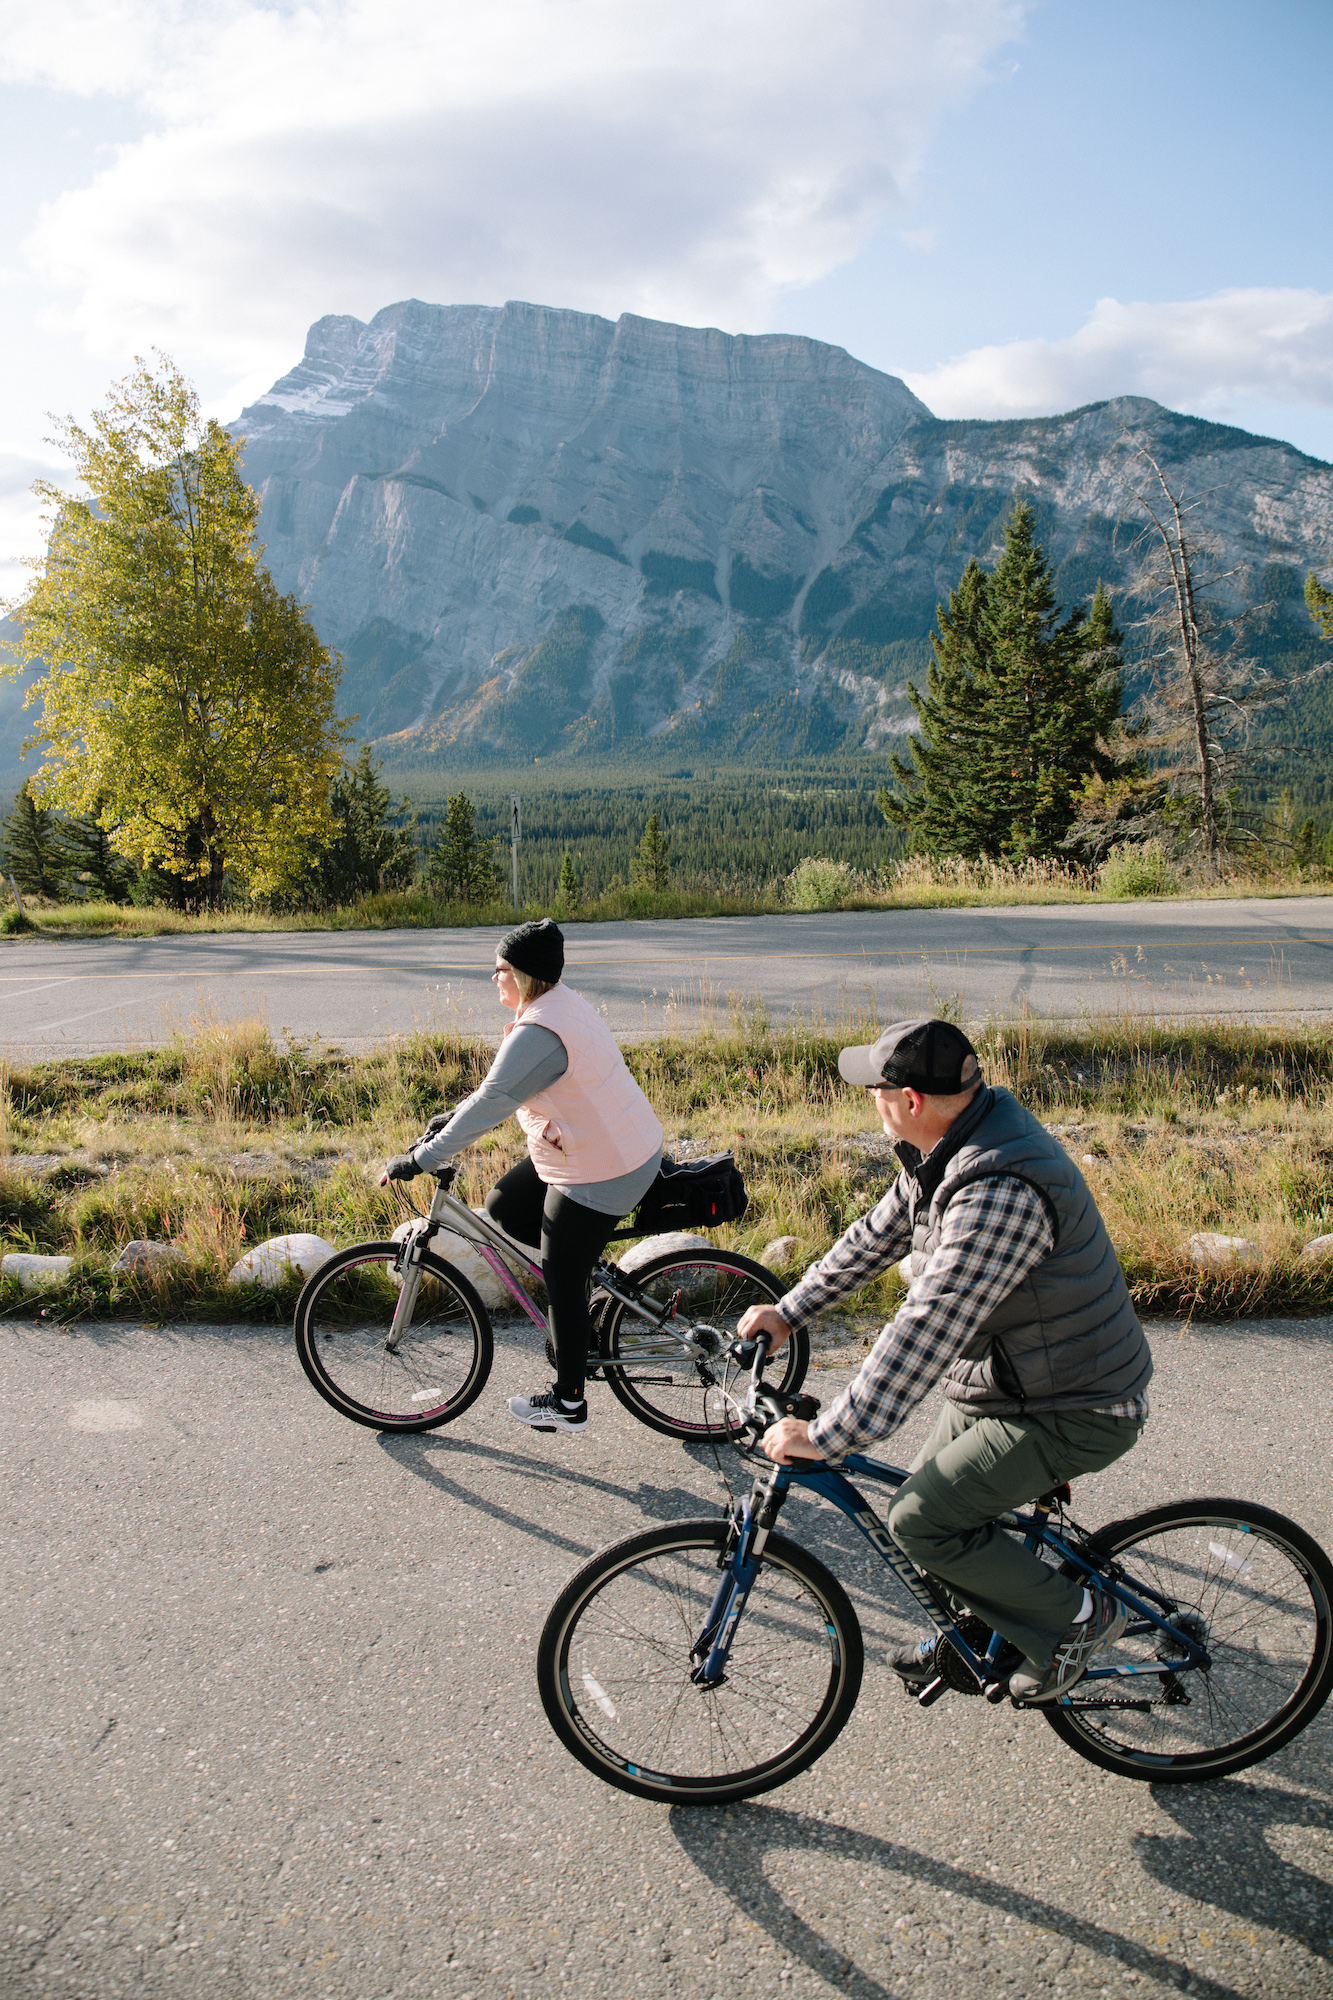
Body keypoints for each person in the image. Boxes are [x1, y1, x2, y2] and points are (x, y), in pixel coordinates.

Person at [737, 1017, 1152, 1703]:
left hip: (1073, 1405)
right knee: (928, 1523)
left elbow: (927, 1325)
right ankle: (993, 1626)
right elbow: (876, 1236)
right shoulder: (951, 1147)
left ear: (910, 1101)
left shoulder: (998, 1191)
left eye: (874, 1087)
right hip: (1010, 1381)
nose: (867, 1098)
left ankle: (1080, 1621)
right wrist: (789, 1311)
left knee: (918, 1521)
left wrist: (828, 1434)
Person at [379, 918, 663, 1433]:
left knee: (560, 1278)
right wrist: (448, 1123)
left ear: (527, 974)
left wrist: (420, 1160)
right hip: (595, 1147)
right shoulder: (555, 1006)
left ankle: (569, 1403)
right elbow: (500, 1087)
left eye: (501, 968)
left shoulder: (540, 1030)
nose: (494, 977)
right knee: (506, 1206)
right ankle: (589, 1279)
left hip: (604, 1166)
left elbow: (493, 1100)